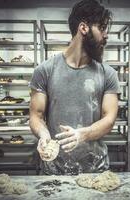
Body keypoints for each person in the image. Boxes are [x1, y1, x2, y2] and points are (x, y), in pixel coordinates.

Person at [29, 0, 120, 175]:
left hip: (95, 170)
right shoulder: (45, 71)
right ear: (83, 28)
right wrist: (43, 134)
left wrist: (82, 134)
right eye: (102, 28)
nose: (106, 35)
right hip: (55, 169)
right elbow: (36, 116)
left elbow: (109, 119)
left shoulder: (108, 73)